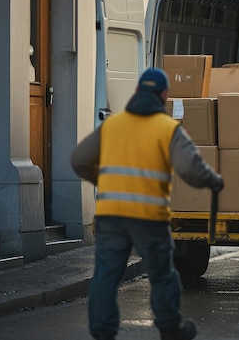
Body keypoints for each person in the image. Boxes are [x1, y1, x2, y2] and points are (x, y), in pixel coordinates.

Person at [71, 68, 224, 340]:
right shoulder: (167, 129)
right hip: (149, 219)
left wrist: (103, 181)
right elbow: (191, 169)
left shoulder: (112, 125)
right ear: (164, 95)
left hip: (111, 216)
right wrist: (213, 180)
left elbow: (80, 160)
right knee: (162, 275)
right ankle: (170, 328)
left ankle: (102, 332)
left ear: (138, 92)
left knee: (106, 276)